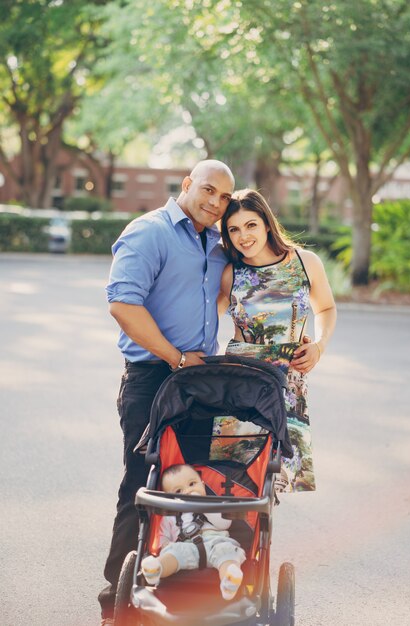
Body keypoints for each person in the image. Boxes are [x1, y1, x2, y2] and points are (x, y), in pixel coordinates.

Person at [99, 160, 235, 625]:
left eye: (223, 198)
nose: (215, 203)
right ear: (186, 184)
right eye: (208, 190)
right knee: (144, 481)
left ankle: (178, 580)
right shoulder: (149, 232)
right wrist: (176, 357)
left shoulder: (217, 242)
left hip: (201, 379)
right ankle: (115, 594)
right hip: (153, 377)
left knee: (196, 483)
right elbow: (122, 303)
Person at [218, 189, 337, 493]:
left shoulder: (304, 261)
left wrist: (319, 346)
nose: (243, 236)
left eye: (251, 225)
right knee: (233, 473)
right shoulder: (231, 272)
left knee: (274, 474)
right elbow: (204, 316)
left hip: (288, 375)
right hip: (242, 376)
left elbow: (325, 307)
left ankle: (258, 538)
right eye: (234, 229)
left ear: (267, 224)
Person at [141, 464, 246, 600]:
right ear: (170, 498)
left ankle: (229, 581)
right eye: (178, 491)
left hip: (216, 543)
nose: (188, 491)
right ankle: (156, 569)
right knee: (173, 553)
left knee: (229, 553)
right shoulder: (170, 515)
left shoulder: (213, 504)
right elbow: (162, 535)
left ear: (202, 484)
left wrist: (203, 506)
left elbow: (224, 523)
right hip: (186, 547)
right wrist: (165, 544)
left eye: (192, 484)